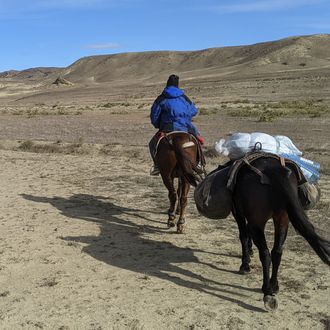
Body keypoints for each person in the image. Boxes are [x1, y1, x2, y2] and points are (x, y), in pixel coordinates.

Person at [149, 74, 204, 175]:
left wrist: (157, 124)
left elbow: (154, 115)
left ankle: (156, 166)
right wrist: (185, 117)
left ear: (167, 84)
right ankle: (199, 163)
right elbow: (194, 111)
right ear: (177, 85)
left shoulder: (161, 98)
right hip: (185, 126)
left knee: (152, 144)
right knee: (197, 139)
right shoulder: (184, 97)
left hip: (167, 127)